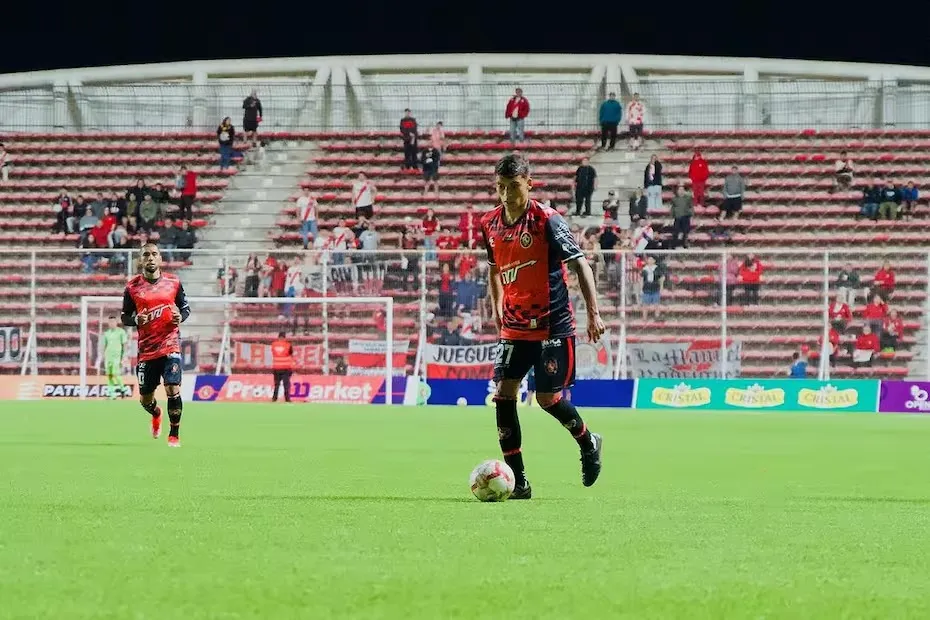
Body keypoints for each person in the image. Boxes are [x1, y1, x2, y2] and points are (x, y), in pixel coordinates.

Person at [480, 153, 605, 500]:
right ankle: (519, 482)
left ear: (529, 184)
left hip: (552, 324)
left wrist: (593, 313)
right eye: (501, 188)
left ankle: (588, 441)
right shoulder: (488, 224)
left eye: (514, 187)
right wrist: (496, 306)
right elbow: (493, 269)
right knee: (504, 395)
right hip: (515, 326)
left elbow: (581, 264)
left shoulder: (547, 219)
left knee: (548, 399)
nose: (507, 195)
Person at [120, 243, 191, 447]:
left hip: (170, 345)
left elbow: (185, 308)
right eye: (146, 255)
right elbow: (125, 316)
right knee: (145, 400)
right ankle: (156, 413)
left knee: (172, 387)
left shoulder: (173, 282)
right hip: (147, 351)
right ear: (141, 260)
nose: (150, 258)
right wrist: (136, 321)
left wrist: (180, 317)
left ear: (160, 258)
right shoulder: (132, 287)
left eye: (154, 254)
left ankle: (174, 435)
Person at [101, 316, 129, 400]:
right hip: (108, 357)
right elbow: (104, 345)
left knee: (115, 374)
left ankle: (123, 389)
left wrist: (124, 356)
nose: (111, 324)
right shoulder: (106, 333)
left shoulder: (121, 332)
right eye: (110, 322)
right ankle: (112, 394)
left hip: (117, 357)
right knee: (109, 375)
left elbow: (125, 345)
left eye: (113, 322)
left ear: (116, 322)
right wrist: (103, 355)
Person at [270, 331, 294, 403]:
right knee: (286, 384)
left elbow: (273, 352)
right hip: (286, 368)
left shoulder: (273, 344)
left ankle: (274, 398)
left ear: (278, 337)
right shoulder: (288, 345)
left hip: (276, 367)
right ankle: (287, 399)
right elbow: (290, 353)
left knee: (276, 384)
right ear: (284, 337)